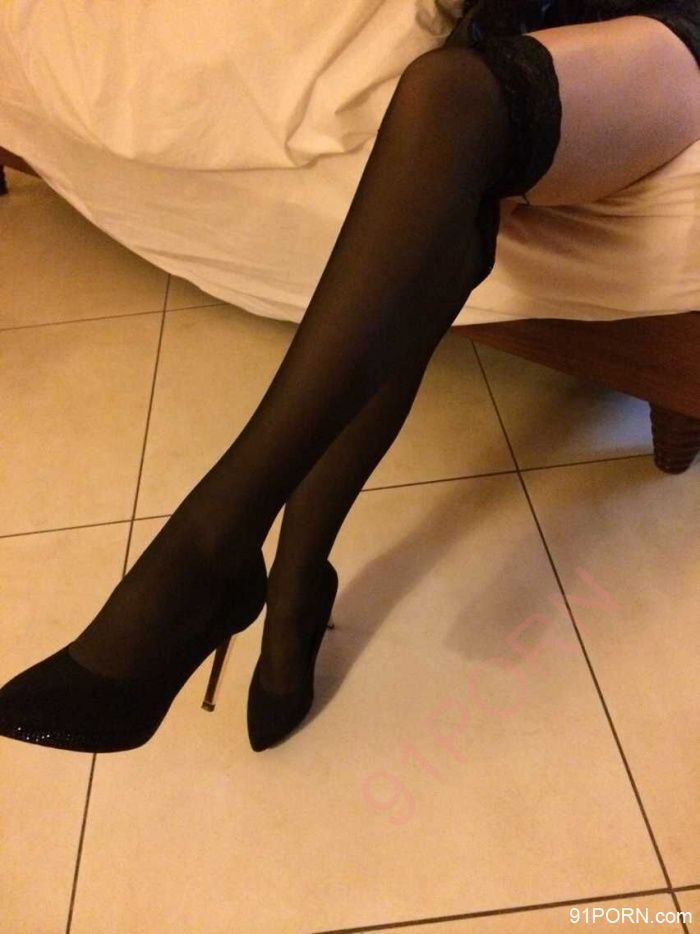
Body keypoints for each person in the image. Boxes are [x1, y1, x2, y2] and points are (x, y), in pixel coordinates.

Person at [0, 0, 698, 754]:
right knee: (436, 200)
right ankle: (292, 580)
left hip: (661, 26)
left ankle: (214, 554)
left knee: (449, 96)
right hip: (517, 21)